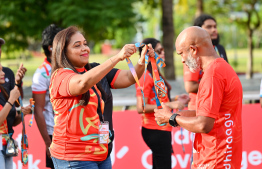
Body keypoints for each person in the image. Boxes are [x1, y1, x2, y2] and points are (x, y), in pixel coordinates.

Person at [49, 26, 155, 169]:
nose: (85, 48)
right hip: (74, 157)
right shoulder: (60, 76)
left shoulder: (95, 70)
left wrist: (143, 61)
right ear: (63, 51)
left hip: (101, 153)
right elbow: (82, 83)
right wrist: (117, 57)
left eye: (85, 43)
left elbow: (129, 77)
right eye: (77, 45)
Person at [154, 26, 243, 168]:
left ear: (194, 50)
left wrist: (171, 118)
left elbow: (203, 124)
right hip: (223, 157)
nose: (182, 60)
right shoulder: (222, 67)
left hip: (215, 159)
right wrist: (175, 115)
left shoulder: (212, 75)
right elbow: (210, 114)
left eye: (182, 53)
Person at [136, 38, 189, 169]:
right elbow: (141, 107)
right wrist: (170, 105)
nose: (163, 54)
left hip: (161, 127)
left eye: (163, 50)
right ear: (148, 53)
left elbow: (159, 98)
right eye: (159, 51)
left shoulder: (155, 73)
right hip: (155, 130)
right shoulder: (145, 75)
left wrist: (176, 99)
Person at [32, 24, 62, 169]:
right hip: (54, 134)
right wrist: (47, 142)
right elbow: (38, 109)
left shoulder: (67, 66)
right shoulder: (41, 73)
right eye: (61, 42)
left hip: (72, 131)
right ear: (51, 47)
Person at [0, 40, 32, 169]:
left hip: (7, 141)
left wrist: (22, 114)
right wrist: (10, 101)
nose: (3, 73)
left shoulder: (7, 78)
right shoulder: (8, 97)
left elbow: (12, 119)